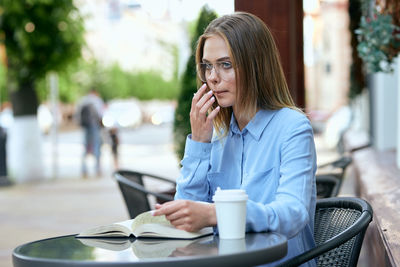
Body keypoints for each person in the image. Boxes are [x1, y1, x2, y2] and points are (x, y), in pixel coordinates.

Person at [153, 12, 317, 266]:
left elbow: (293, 214)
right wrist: (198, 142)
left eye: (225, 64)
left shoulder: (292, 127)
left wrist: (218, 214)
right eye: (207, 66)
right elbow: (188, 219)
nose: (212, 77)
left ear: (255, 65)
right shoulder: (216, 135)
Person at [76, 89, 105, 178]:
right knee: (96, 146)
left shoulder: (83, 100)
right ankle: (97, 169)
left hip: (85, 128)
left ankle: (84, 169)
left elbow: (77, 115)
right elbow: (101, 114)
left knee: (85, 148)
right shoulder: (97, 100)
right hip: (95, 127)